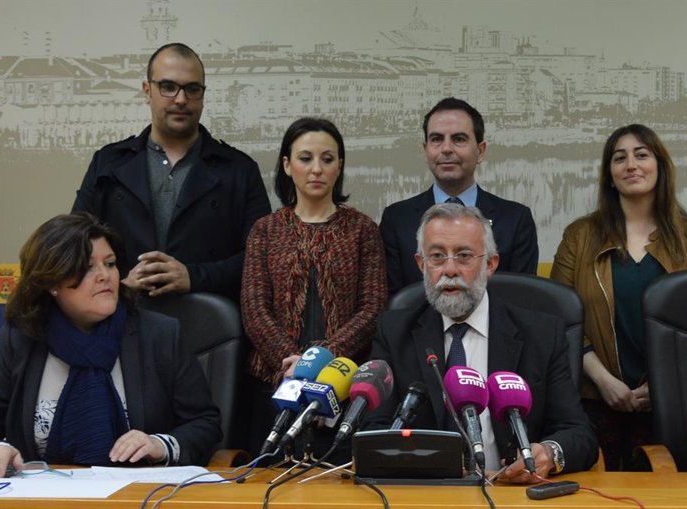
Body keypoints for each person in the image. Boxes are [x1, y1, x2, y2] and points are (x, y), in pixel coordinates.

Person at [0, 213, 221, 477]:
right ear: (52, 282)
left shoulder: (159, 335)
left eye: (110, 264)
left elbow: (205, 424)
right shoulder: (23, 338)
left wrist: (159, 445)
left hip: (141, 492)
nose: (105, 276)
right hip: (41, 492)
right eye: (87, 267)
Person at [364, 204, 597, 482]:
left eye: (463, 256)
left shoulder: (542, 334)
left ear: (490, 264)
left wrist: (549, 453)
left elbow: (578, 433)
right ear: (421, 264)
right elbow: (373, 429)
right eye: (437, 256)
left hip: (512, 492)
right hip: (425, 492)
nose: (450, 270)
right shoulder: (394, 333)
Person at [550, 124, 687, 471]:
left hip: (673, 402)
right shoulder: (580, 236)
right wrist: (603, 380)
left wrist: (662, 384)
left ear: (660, 167)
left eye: (642, 155)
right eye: (619, 158)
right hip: (594, 398)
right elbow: (560, 320)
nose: (631, 165)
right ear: (610, 175)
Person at [72, 42, 270, 300]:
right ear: (147, 91)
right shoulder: (107, 164)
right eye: (168, 87)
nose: (181, 99)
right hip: (123, 316)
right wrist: (121, 284)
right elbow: (75, 246)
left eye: (192, 89)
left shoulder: (240, 170)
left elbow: (261, 259)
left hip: (210, 320)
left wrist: (194, 277)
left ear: (203, 95)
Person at [240, 118, 386, 454]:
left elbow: (373, 308)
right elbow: (254, 308)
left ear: (340, 166)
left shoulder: (363, 229)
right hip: (274, 383)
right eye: (305, 158)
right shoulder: (265, 230)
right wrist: (292, 364)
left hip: (344, 384)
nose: (317, 169)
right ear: (287, 165)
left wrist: (323, 361)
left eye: (327, 159)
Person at [379, 97, 538, 298]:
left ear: (480, 151)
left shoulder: (516, 219)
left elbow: (521, 300)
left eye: (459, 139)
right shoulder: (397, 219)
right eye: (436, 139)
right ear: (426, 150)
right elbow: (395, 303)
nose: (446, 148)